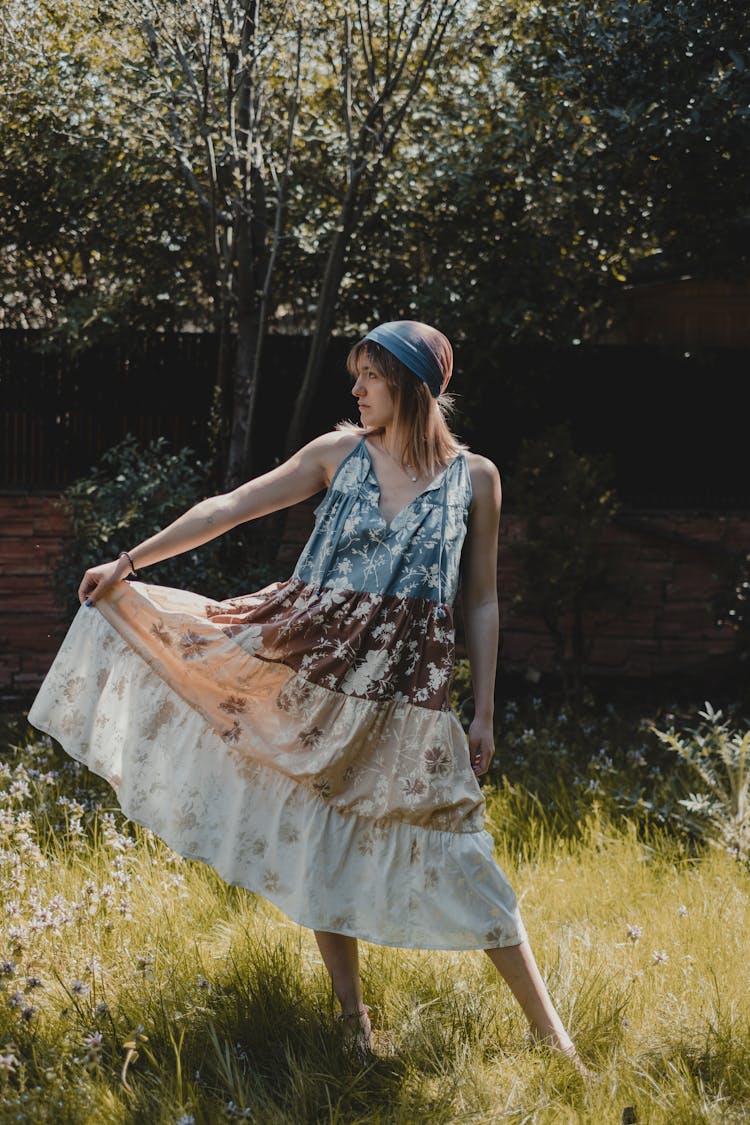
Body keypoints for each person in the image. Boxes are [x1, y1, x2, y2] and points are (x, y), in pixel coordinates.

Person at [29, 320, 585, 1068]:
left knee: (464, 849)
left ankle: (553, 1041)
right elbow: (231, 506)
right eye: (355, 375)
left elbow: (479, 600)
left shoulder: (474, 477)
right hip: (307, 672)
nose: (355, 390)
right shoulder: (338, 455)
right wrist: (128, 560)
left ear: (412, 385)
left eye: (369, 376)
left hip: (405, 695)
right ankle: (352, 1023)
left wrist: (483, 709)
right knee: (322, 835)